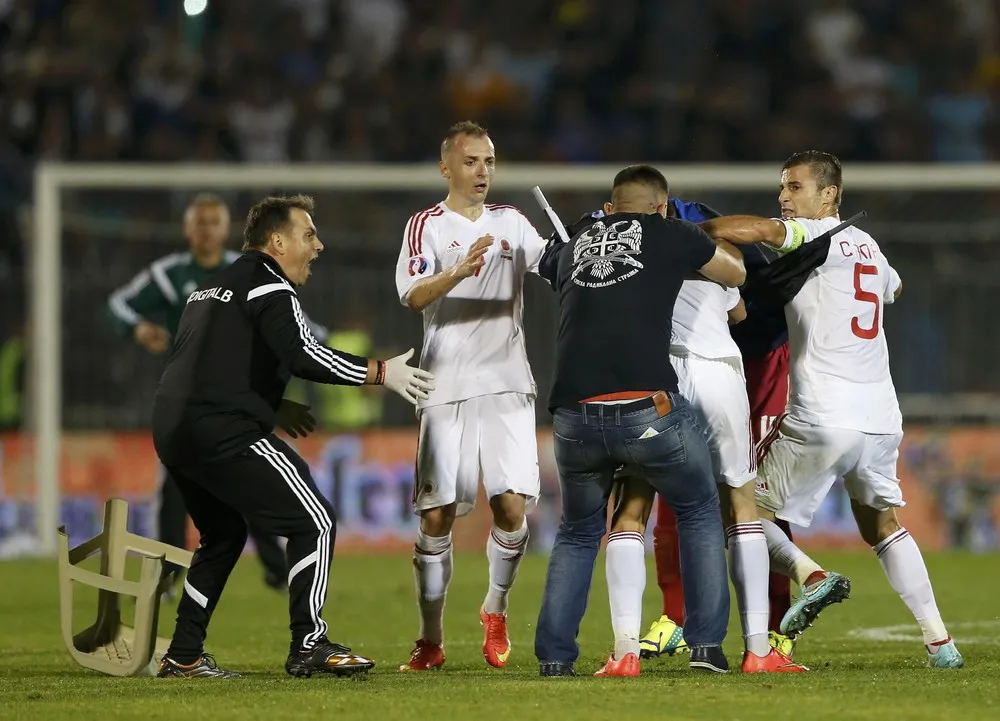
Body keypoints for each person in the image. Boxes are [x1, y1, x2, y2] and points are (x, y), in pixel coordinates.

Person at [700, 150, 964, 669]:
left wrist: (694, 230)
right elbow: (895, 287)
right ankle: (940, 642)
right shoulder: (867, 245)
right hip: (881, 419)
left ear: (830, 196)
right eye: (783, 187)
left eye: (795, 187)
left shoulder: (812, 235)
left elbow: (756, 231)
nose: (784, 197)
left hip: (823, 414)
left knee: (740, 511)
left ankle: (811, 575)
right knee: (882, 525)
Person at [152, 194, 434, 678]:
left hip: (174, 429)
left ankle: (183, 654)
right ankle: (310, 644)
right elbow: (304, 354)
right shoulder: (270, 286)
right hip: (223, 429)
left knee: (222, 535)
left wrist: (274, 405)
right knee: (316, 521)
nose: (318, 246)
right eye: (308, 235)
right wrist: (380, 372)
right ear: (277, 242)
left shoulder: (214, 285)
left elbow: (207, 361)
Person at [534, 164, 745, 678]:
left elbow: (548, 266)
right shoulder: (669, 230)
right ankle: (706, 647)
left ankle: (556, 659)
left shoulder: (578, 239)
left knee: (577, 533)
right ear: (660, 206)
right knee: (698, 508)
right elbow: (735, 273)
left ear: (609, 207)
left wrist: (592, 231)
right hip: (646, 410)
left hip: (573, 418)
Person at [106, 194, 328, 597]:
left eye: (213, 222)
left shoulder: (242, 270)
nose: (206, 229)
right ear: (188, 229)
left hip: (240, 403)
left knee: (248, 489)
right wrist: (138, 329)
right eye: (199, 222)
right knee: (182, 490)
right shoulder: (169, 274)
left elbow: (304, 326)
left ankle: (275, 572)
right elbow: (118, 306)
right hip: (190, 400)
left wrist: (313, 349)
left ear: (226, 229)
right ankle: (173, 576)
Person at [394, 121, 549, 671]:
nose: (482, 171)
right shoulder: (425, 227)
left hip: (507, 382)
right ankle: (431, 638)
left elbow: (554, 264)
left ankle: (495, 608)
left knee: (511, 507)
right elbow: (413, 295)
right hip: (446, 386)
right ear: (446, 168)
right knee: (436, 517)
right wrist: (458, 271)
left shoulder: (512, 222)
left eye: (488, 161)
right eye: (471, 162)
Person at [640, 199, 799, 661]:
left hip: (757, 361)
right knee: (706, 497)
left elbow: (750, 297)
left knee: (747, 497)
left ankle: (773, 625)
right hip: (713, 363)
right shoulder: (638, 236)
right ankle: (688, 622)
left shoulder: (694, 223)